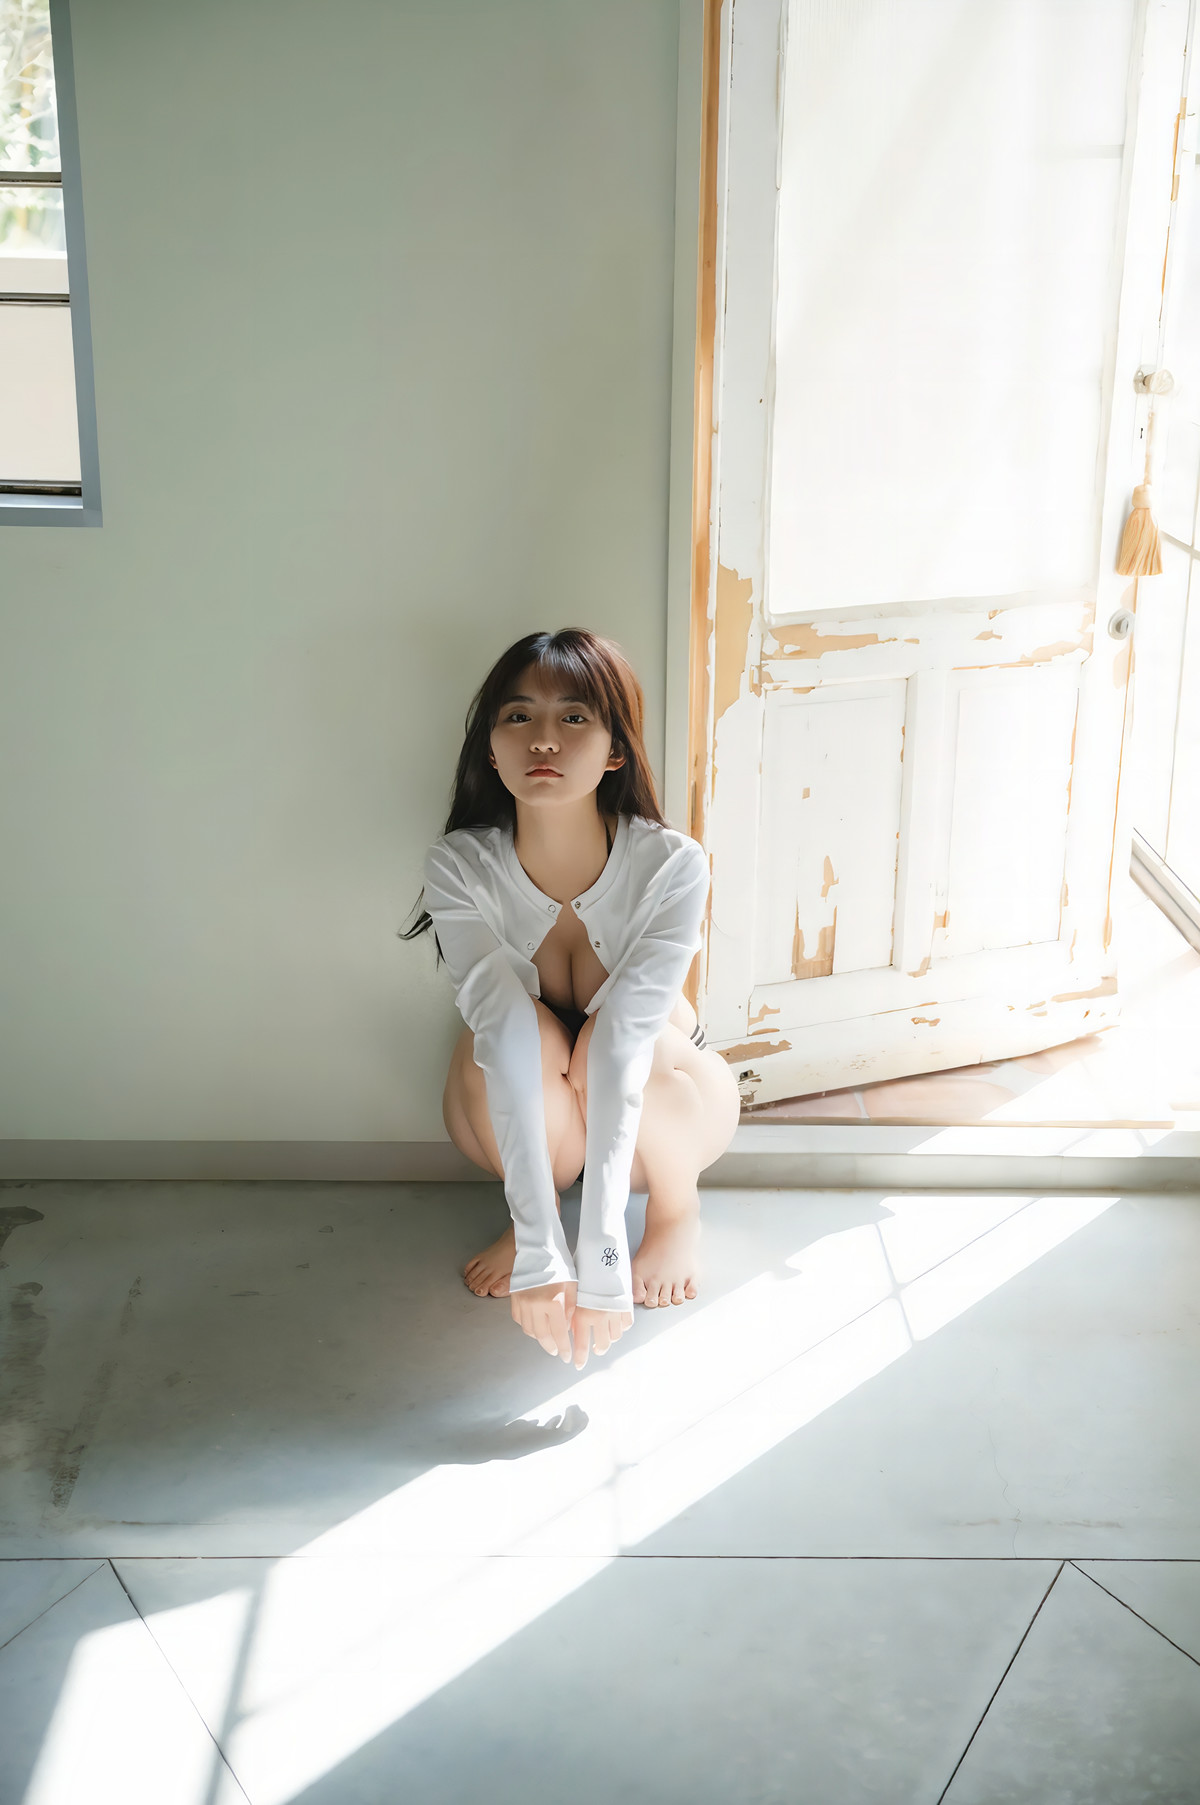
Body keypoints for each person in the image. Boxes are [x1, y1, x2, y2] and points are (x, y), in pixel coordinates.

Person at [400, 629, 741, 1371]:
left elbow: (621, 1044)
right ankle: (539, 1218)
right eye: (518, 716)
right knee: (503, 1042)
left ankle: (676, 1212)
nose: (544, 739)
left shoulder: (672, 864)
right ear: (492, 749)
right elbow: (503, 1027)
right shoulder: (459, 865)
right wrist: (537, 1245)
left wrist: (605, 1252)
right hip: (528, 1111)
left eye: (575, 716)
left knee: (629, 1044)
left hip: (666, 1113)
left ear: (616, 749)